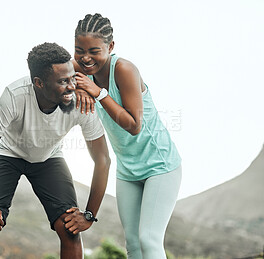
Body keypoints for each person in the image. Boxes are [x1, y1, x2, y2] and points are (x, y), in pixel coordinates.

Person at [0, 42, 111, 259]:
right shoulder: (15, 95)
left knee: (70, 228)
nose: (72, 86)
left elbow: (103, 160)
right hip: (7, 153)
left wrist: (89, 215)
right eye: (63, 81)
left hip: (49, 157)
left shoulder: (81, 103)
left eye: (73, 78)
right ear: (39, 83)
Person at [68, 13, 182, 259]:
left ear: (110, 47)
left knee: (149, 240)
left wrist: (98, 93)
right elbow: (57, 72)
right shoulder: (79, 69)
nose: (85, 58)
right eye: (79, 50)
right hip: (128, 170)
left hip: (160, 166)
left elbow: (133, 125)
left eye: (94, 51)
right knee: (133, 244)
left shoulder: (124, 69)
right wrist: (79, 86)